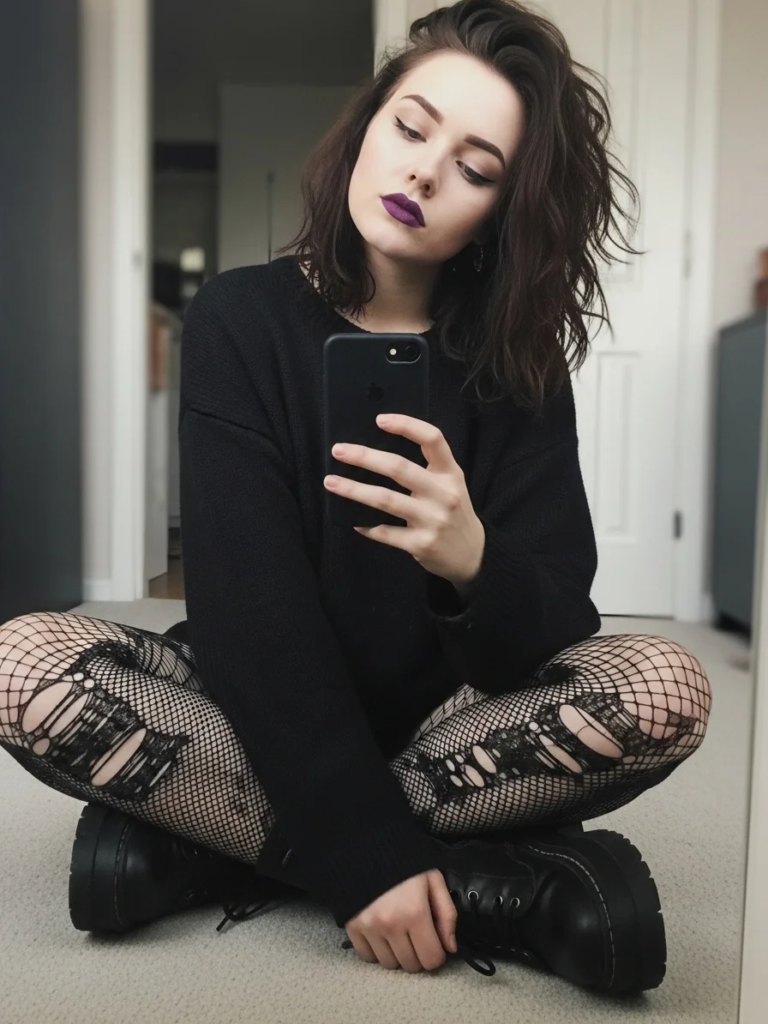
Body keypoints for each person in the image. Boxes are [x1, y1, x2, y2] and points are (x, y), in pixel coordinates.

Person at [0, 0, 712, 994]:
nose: (423, 172)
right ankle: (484, 885)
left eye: (475, 169)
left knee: (667, 687)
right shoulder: (239, 317)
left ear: (500, 213)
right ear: (367, 127)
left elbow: (554, 630)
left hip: (447, 723)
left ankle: (213, 842)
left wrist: (470, 556)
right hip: (254, 707)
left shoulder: (521, 365)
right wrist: (365, 861)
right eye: (411, 128)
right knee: (21, 664)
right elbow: (250, 618)